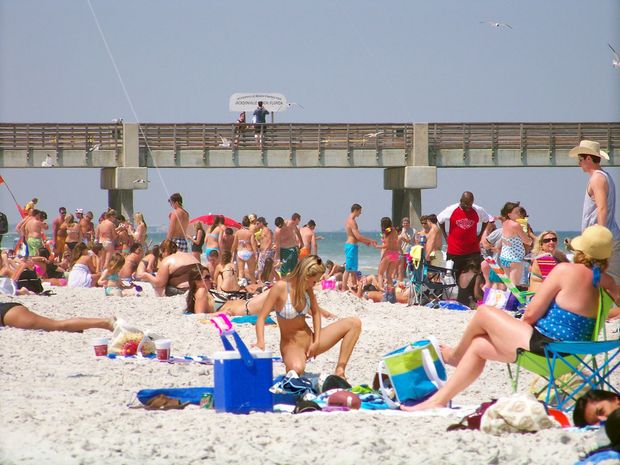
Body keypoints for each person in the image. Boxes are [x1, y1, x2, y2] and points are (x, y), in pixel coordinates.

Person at [402, 224, 619, 412]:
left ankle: (455, 357)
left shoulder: (564, 270)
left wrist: (515, 330)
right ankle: (439, 400)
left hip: (548, 350)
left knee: (485, 312)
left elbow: (531, 313)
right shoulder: (609, 283)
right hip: (574, 356)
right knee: (478, 345)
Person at [254, 255, 362, 377]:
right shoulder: (280, 287)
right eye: (315, 281)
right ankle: (295, 362)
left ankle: (340, 370)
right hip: (291, 345)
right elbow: (261, 318)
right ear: (306, 276)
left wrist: (316, 341)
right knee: (297, 369)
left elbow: (316, 312)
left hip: (310, 340)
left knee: (354, 323)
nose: (315, 284)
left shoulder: (307, 288)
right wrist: (260, 341)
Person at [571, 139, 620, 286]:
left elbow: (602, 208)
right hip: (609, 237)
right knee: (608, 284)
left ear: (588, 158)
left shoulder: (597, 178)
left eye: (580, 159)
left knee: (602, 284)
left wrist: (600, 236)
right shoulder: (603, 176)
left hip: (601, 240)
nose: (578, 163)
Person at [437, 191, 490, 280]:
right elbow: (439, 220)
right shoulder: (451, 209)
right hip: (455, 251)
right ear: (461, 200)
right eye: (466, 204)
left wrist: (480, 235)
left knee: (474, 276)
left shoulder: (478, 210)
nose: (468, 207)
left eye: (470, 205)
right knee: (456, 278)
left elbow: (486, 220)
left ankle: (472, 293)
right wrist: (446, 236)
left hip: (472, 250)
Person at [137, 239, 204, 296]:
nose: (161, 257)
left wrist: (146, 275)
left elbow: (158, 283)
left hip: (185, 290)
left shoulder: (167, 260)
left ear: (164, 251)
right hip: (202, 286)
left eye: (161, 254)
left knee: (160, 289)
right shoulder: (189, 255)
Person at [0, 301, 114, 332]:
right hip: (8, 310)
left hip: (7, 314)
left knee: (58, 325)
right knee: (58, 325)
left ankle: (105, 323)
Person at [342, 204, 377, 292]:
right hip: (351, 246)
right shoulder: (351, 221)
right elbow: (357, 236)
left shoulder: (350, 220)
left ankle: (353, 286)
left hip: (352, 246)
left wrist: (365, 242)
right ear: (356, 210)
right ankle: (343, 287)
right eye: (360, 211)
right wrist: (370, 240)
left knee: (353, 269)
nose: (361, 213)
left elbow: (355, 237)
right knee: (348, 269)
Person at [497, 201, 532, 286]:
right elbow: (526, 241)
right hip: (515, 259)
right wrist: (531, 240)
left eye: (518, 212)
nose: (518, 214)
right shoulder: (516, 225)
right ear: (509, 214)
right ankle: (512, 299)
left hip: (504, 257)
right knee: (514, 286)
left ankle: (508, 298)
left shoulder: (505, 223)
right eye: (516, 212)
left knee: (509, 285)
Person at [375, 217, 399, 289]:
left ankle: (381, 289)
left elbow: (387, 245)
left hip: (388, 253)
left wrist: (377, 246)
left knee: (380, 273)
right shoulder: (394, 230)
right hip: (395, 254)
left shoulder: (386, 232)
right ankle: (391, 291)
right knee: (389, 275)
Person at [232, 216, 258, 285]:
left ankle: (242, 288)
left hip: (240, 252)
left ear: (242, 224)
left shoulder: (238, 232)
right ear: (249, 224)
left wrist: (232, 253)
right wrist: (256, 254)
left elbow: (234, 244)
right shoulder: (250, 233)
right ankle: (254, 287)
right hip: (249, 252)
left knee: (241, 271)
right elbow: (253, 244)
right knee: (251, 273)